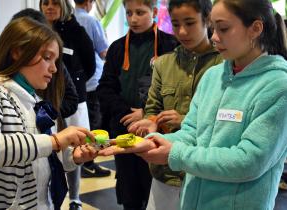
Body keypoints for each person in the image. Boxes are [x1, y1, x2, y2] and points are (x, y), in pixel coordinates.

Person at [100, 0, 287, 209]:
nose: (215, 37)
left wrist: (175, 154)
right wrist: (154, 141)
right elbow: (191, 132)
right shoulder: (214, 76)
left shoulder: (278, 86)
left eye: (223, 28)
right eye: (214, 28)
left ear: (255, 28)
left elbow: (249, 161)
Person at [0, 17, 97, 210]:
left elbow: (42, 157)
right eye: (47, 58)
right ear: (17, 52)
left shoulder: (36, 102)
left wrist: (73, 158)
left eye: (55, 60)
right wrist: (55, 141)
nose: (54, 69)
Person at [127, 0, 223, 209]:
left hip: (204, 173)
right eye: (175, 23)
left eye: (189, 23)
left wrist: (184, 120)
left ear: (207, 20)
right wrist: (151, 122)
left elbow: (224, 120)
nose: (182, 31)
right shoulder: (164, 63)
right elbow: (152, 108)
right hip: (165, 172)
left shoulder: (223, 65)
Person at [97, 0, 177, 208]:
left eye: (140, 12)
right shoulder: (116, 48)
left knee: (157, 191)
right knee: (130, 192)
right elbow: (105, 88)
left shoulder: (171, 45)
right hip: (125, 129)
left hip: (158, 131)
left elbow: (175, 91)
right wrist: (125, 113)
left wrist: (146, 113)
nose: (133, 19)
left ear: (155, 12)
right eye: (129, 12)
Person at [39, 0, 96, 209]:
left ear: (64, 6)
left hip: (73, 99)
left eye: (55, 3)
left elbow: (90, 63)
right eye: (45, 3)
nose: (50, 7)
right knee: (50, 146)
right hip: (47, 99)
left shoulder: (76, 31)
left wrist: (76, 81)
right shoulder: (39, 31)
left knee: (74, 148)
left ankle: (75, 198)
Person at [74, 0, 111, 178]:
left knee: (79, 124)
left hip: (74, 82)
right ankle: (89, 162)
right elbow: (104, 51)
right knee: (93, 125)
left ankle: (82, 160)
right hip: (92, 82)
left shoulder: (68, 19)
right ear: (90, 2)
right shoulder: (90, 21)